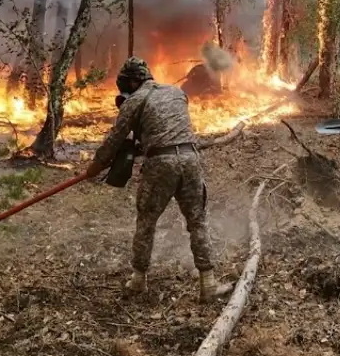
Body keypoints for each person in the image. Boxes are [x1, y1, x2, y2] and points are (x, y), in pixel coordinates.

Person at [84, 57, 232, 303]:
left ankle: (138, 280)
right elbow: (168, 128)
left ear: (132, 81)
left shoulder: (133, 102)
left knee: (146, 221)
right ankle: (209, 283)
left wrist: (94, 167)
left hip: (161, 164)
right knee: (197, 222)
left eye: (125, 85)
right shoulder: (176, 92)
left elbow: (114, 140)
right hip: (190, 159)